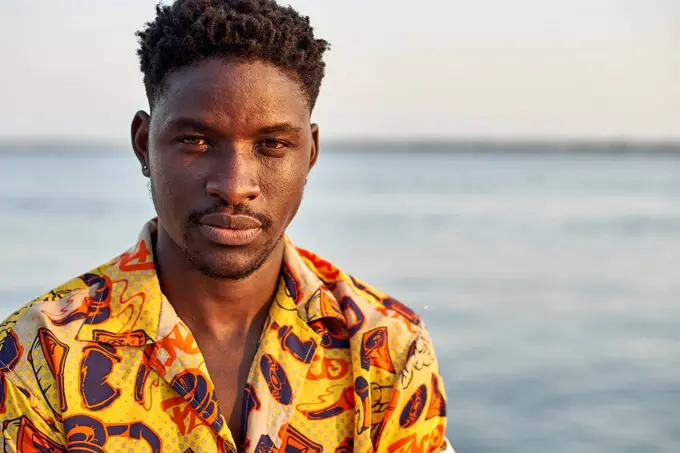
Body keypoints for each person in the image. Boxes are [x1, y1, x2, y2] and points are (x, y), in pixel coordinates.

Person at [0, 1, 452, 451]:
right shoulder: (38, 353)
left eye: (273, 144)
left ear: (309, 154)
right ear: (143, 145)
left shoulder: (385, 348)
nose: (235, 186)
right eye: (196, 141)